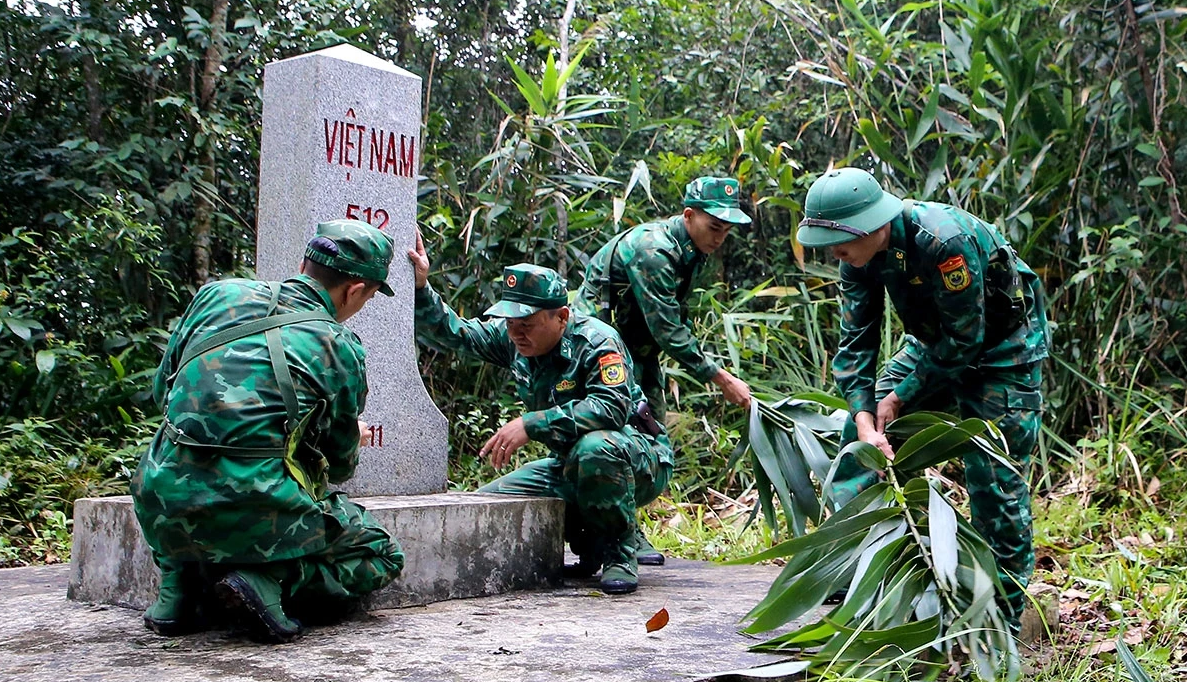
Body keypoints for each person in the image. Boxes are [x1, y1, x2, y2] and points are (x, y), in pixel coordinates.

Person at [798, 167, 1049, 630]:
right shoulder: (856, 258)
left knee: (996, 482)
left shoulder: (943, 242)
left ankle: (1002, 616)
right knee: (857, 449)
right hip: (932, 346)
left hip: (1002, 353)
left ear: (872, 225)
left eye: (839, 241)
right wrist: (864, 412)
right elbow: (856, 343)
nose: (834, 253)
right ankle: (860, 569)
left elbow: (966, 341)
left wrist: (899, 397)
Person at [133, 220, 405, 642]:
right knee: (382, 553)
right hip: (260, 508)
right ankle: (272, 580)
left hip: (160, 500)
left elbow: (161, 392)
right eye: (368, 297)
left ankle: (177, 589)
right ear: (355, 290)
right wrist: (355, 434)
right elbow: (338, 467)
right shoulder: (338, 346)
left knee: (180, 462)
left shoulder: (216, 296)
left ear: (303, 264)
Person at [409, 238, 672, 595]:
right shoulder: (514, 338)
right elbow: (456, 334)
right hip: (570, 464)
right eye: (510, 321)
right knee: (488, 506)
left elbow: (610, 408)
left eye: (528, 323)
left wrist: (531, 424)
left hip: (637, 458)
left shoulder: (597, 342)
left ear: (561, 317)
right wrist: (422, 287)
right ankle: (591, 536)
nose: (516, 332)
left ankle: (618, 551)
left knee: (595, 449)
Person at [577, 175, 754, 566]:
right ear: (689, 215)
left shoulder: (692, 250)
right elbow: (668, 328)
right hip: (600, 355)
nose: (720, 238)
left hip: (637, 353)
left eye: (727, 231)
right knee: (612, 439)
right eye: (714, 227)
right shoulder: (653, 249)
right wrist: (721, 378)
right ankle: (613, 537)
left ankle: (623, 526)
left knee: (652, 442)